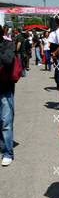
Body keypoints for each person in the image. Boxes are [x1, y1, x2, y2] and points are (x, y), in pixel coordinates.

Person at [0, 25, 15, 166]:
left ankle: (7, 152)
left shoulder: (8, 44)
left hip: (5, 89)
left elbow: (8, 61)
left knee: (6, 122)